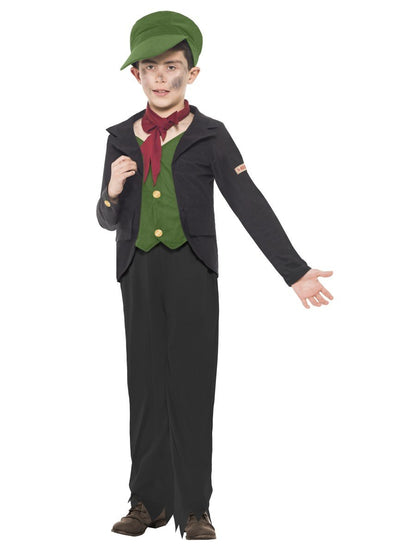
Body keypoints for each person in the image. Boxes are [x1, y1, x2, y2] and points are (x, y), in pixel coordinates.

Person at [96, 10, 334, 541]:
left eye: (172, 67)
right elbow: (105, 218)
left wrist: (294, 272)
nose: (161, 78)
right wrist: (111, 189)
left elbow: (248, 202)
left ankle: (194, 508)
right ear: (136, 74)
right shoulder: (118, 138)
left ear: (192, 74)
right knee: (146, 387)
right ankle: (146, 502)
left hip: (192, 270)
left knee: (191, 384)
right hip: (138, 270)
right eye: (150, 68)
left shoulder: (211, 135)